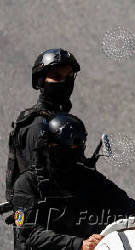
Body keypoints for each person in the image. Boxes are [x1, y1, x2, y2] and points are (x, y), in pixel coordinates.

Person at [12, 112, 135, 250]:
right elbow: (30, 233)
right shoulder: (27, 184)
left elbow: (123, 202)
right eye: (62, 148)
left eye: (75, 148)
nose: (69, 154)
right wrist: (78, 245)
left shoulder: (88, 177)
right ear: (48, 147)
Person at [6, 48, 84, 204]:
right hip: (43, 219)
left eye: (69, 76)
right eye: (57, 77)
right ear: (41, 81)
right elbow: (35, 181)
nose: (65, 82)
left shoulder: (60, 118)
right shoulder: (37, 125)